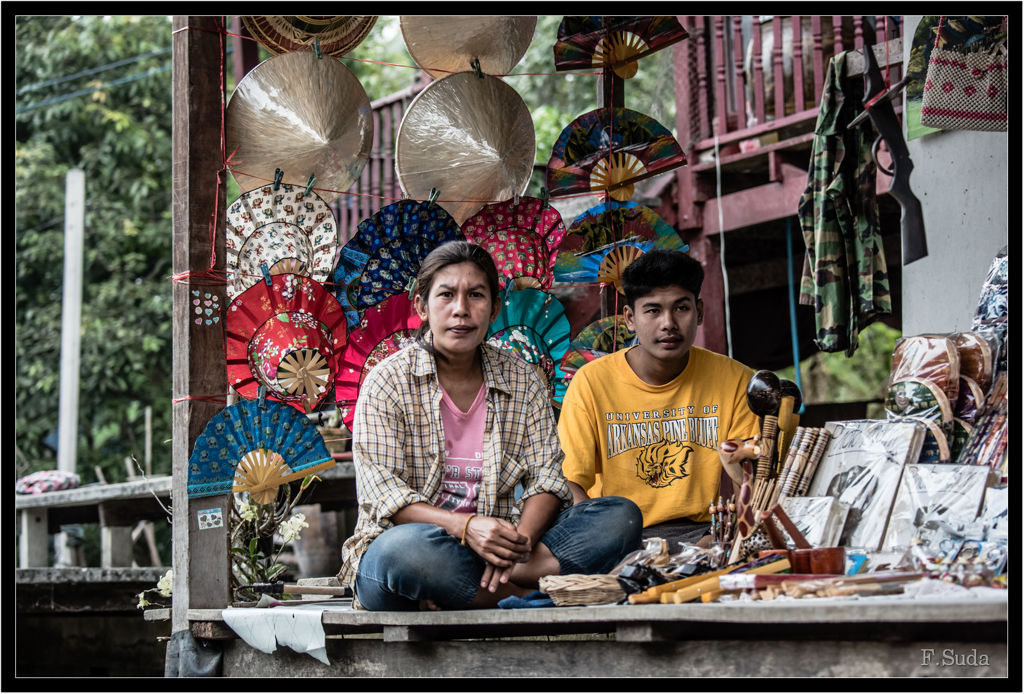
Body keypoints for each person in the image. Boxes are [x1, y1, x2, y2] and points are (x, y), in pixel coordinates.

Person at [338, 241, 643, 611]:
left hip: (501, 552)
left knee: (619, 517)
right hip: (417, 553)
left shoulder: (521, 378)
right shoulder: (387, 382)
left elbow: (547, 477)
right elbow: (384, 494)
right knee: (402, 552)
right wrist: (466, 529)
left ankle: (484, 589)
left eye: (476, 295)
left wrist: (518, 545)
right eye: (446, 295)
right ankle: (528, 592)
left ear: (494, 307)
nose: (461, 310)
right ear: (421, 306)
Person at [558, 249, 760, 548]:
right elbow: (570, 482)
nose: (668, 323)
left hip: (701, 535)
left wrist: (721, 539)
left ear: (700, 312)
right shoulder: (591, 383)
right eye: (653, 310)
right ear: (630, 318)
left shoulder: (735, 380)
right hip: (617, 534)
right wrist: (595, 540)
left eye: (681, 308)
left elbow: (755, 477)